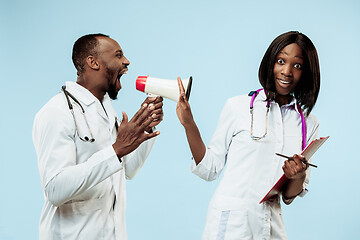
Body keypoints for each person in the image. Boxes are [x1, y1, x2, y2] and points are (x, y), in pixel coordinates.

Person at [176, 31, 320, 239]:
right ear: (271, 62)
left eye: (297, 66)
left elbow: (290, 195)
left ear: (306, 72)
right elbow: (210, 168)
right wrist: (189, 123)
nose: (287, 71)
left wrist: (298, 176)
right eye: (281, 61)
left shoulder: (308, 123)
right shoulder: (238, 107)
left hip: (271, 225)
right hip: (232, 223)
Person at [32, 33, 164, 240]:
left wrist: (145, 129)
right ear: (93, 62)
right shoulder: (57, 112)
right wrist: (116, 149)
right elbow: (55, 189)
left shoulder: (106, 110)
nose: (127, 61)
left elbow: (128, 170)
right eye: (118, 55)